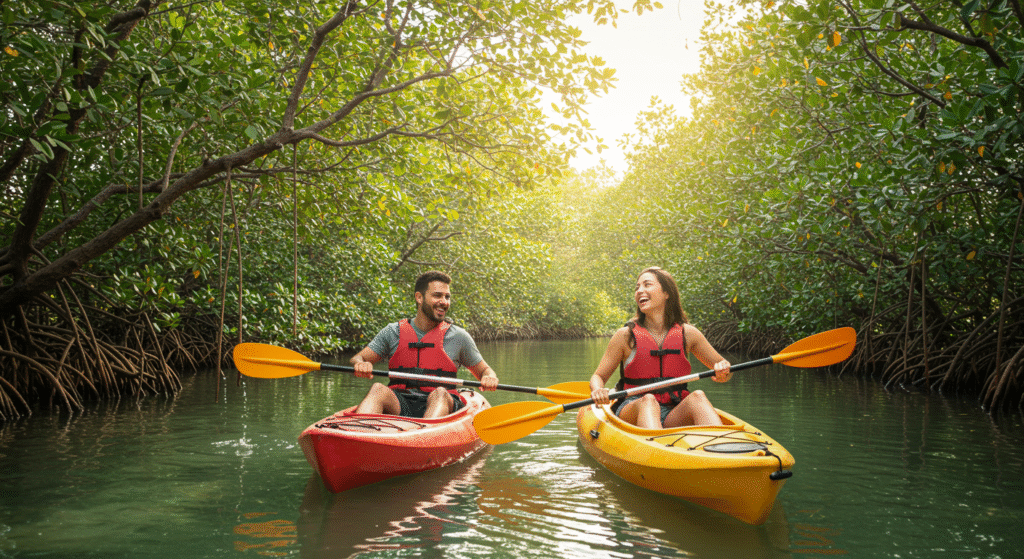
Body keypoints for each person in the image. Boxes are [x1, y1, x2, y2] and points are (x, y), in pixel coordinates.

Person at [588, 266, 732, 428]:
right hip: (634, 407)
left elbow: (725, 370)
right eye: (637, 287)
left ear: (666, 293)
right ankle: (655, 442)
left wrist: (723, 371)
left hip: (673, 410)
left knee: (698, 396)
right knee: (649, 401)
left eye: (647, 284)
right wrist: (598, 390)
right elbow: (598, 376)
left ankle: (721, 441)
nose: (639, 291)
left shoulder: (688, 333)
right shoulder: (625, 336)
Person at [350, 271, 499, 418]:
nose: (444, 302)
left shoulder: (459, 337)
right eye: (437, 295)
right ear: (419, 297)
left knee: (440, 393)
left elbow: (485, 371)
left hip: (442, 403)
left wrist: (489, 378)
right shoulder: (393, 332)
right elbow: (358, 358)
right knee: (378, 389)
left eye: (447, 297)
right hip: (401, 402)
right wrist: (360, 364)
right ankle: (357, 428)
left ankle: (424, 432)